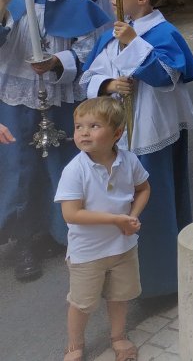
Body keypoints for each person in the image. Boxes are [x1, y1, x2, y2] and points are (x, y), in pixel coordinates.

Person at [81, 0, 193, 298]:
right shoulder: (113, 33)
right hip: (117, 135)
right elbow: (88, 77)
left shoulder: (163, 33)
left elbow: (165, 76)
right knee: (117, 203)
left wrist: (133, 43)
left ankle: (161, 280)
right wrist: (108, 84)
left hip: (151, 134)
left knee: (153, 203)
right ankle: (122, 275)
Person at [0, 0, 110, 282]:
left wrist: (57, 61)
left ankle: (57, 232)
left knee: (61, 165)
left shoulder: (78, 2)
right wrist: (2, 5)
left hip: (60, 95)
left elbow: (90, 48)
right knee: (19, 166)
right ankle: (22, 239)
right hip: (16, 96)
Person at [55, 97, 150, 361]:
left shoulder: (129, 160)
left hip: (123, 247)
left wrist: (132, 216)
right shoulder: (75, 170)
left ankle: (118, 336)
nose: (84, 132)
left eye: (94, 126)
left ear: (117, 134)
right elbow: (71, 214)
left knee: (119, 296)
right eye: (78, 126)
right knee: (82, 302)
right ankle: (74, 344)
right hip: (88, 252)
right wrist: (116, 220)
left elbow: (143, 188)